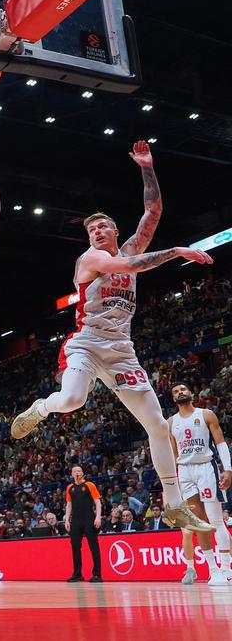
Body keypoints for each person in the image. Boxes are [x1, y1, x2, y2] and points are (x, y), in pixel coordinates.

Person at [12, 141, 213, 534]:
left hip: (122, 352)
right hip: (86, 343)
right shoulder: (91, 260)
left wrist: (147, 167)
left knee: (158, 424)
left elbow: (152, 212)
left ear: (115, 230)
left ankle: (174, 505)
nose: (97, 231)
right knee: (72, 400)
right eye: (91, 229)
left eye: (103, 226)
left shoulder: (130, 244)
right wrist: (176, 251)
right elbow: (127, 263)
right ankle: (42, 407)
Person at [169, 381, 232, 586]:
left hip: (206, 467)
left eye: (183, 389)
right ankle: (213, 570)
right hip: (185, 471)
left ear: (191, 394)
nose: (180, 392)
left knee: (215, 519)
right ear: (173, 398)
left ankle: (225, 568)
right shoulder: (171, 422)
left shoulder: (206, 414)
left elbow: (221, 443)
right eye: (176, 391)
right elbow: (173, 454)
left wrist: (228, 469)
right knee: (198, 522)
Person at [64, 466, 102, 582]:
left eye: (79, 471)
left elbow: (97, 502)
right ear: (71, 474)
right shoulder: (70, 487)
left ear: (83, 473)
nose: (77, 472)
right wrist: (66, 520)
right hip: (75, 520)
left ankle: (97, 574)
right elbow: (69, 505)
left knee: (93, 546)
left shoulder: (89, 485)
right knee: (75, 547)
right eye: (74, 471)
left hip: (89, 519)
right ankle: (77, 574)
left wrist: (98, 517)